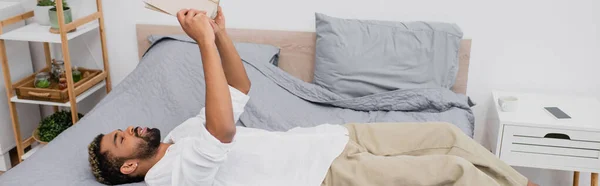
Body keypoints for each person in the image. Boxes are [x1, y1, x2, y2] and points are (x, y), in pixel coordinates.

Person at [87, 7, 537, 186]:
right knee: (452, 171)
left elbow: (238, 91)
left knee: (444, 131)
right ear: (129, 166)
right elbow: (223, 129)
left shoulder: (182, 135)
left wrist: (222, 37)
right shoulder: (170, 175)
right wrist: (202, 42)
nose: (129, 129)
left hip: (334, 136)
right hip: (326, 173)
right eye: (122, 139)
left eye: (122, 130)